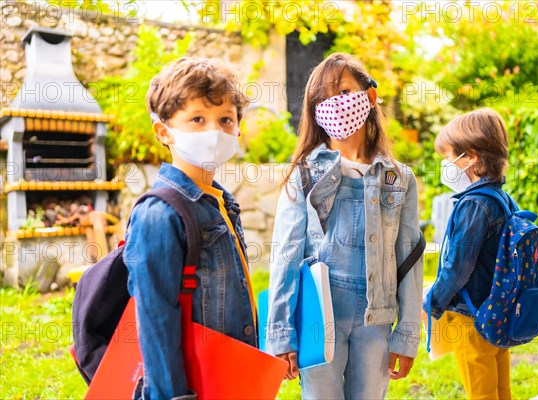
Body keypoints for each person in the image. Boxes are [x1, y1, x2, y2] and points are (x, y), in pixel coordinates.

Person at [266, 52, 423, 399]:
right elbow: (285, 256)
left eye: (343, 91)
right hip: (318, 317)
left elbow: (410, 259)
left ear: (368, 97)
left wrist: (407, 334)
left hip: (376, 318)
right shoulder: (305, 175)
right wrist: (281, 332)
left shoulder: (400, 179)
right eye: (323, 97)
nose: (333, 104)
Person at [123, 57, 256, 400]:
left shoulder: (220, 201)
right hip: (191, 388)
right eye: (197, 119)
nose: (214, 131)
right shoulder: (160, 213)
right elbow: (155, 321)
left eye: (225, 119)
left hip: (229, 376)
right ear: (164, 131)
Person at [425, 108, 512, 400]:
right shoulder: (503, 198)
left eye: (449, 156)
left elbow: (457, 267)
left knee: (479, 391)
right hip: (497, 311)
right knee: (500, 387)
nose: (445, 164)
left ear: (471, 156)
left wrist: (432, 302)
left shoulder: (474, 204)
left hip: (470, 317)